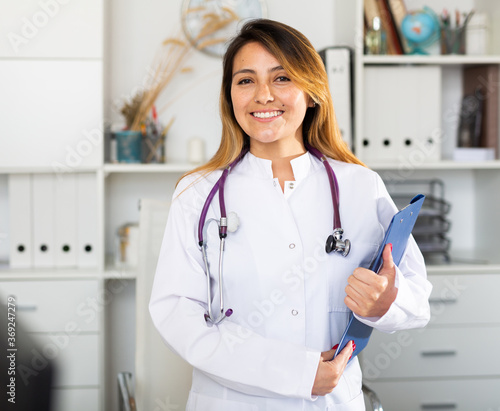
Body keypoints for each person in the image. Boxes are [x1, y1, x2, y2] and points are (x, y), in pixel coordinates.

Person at [149, 19, 432, 410]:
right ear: (230, 96)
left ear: (312, 92)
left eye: (282, 78)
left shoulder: (360, 188)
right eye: (245, 81)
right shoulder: (197, 195)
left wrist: (386, 302)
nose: (263, 95)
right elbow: (176, 314)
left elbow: (418, 298)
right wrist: (294, 372)